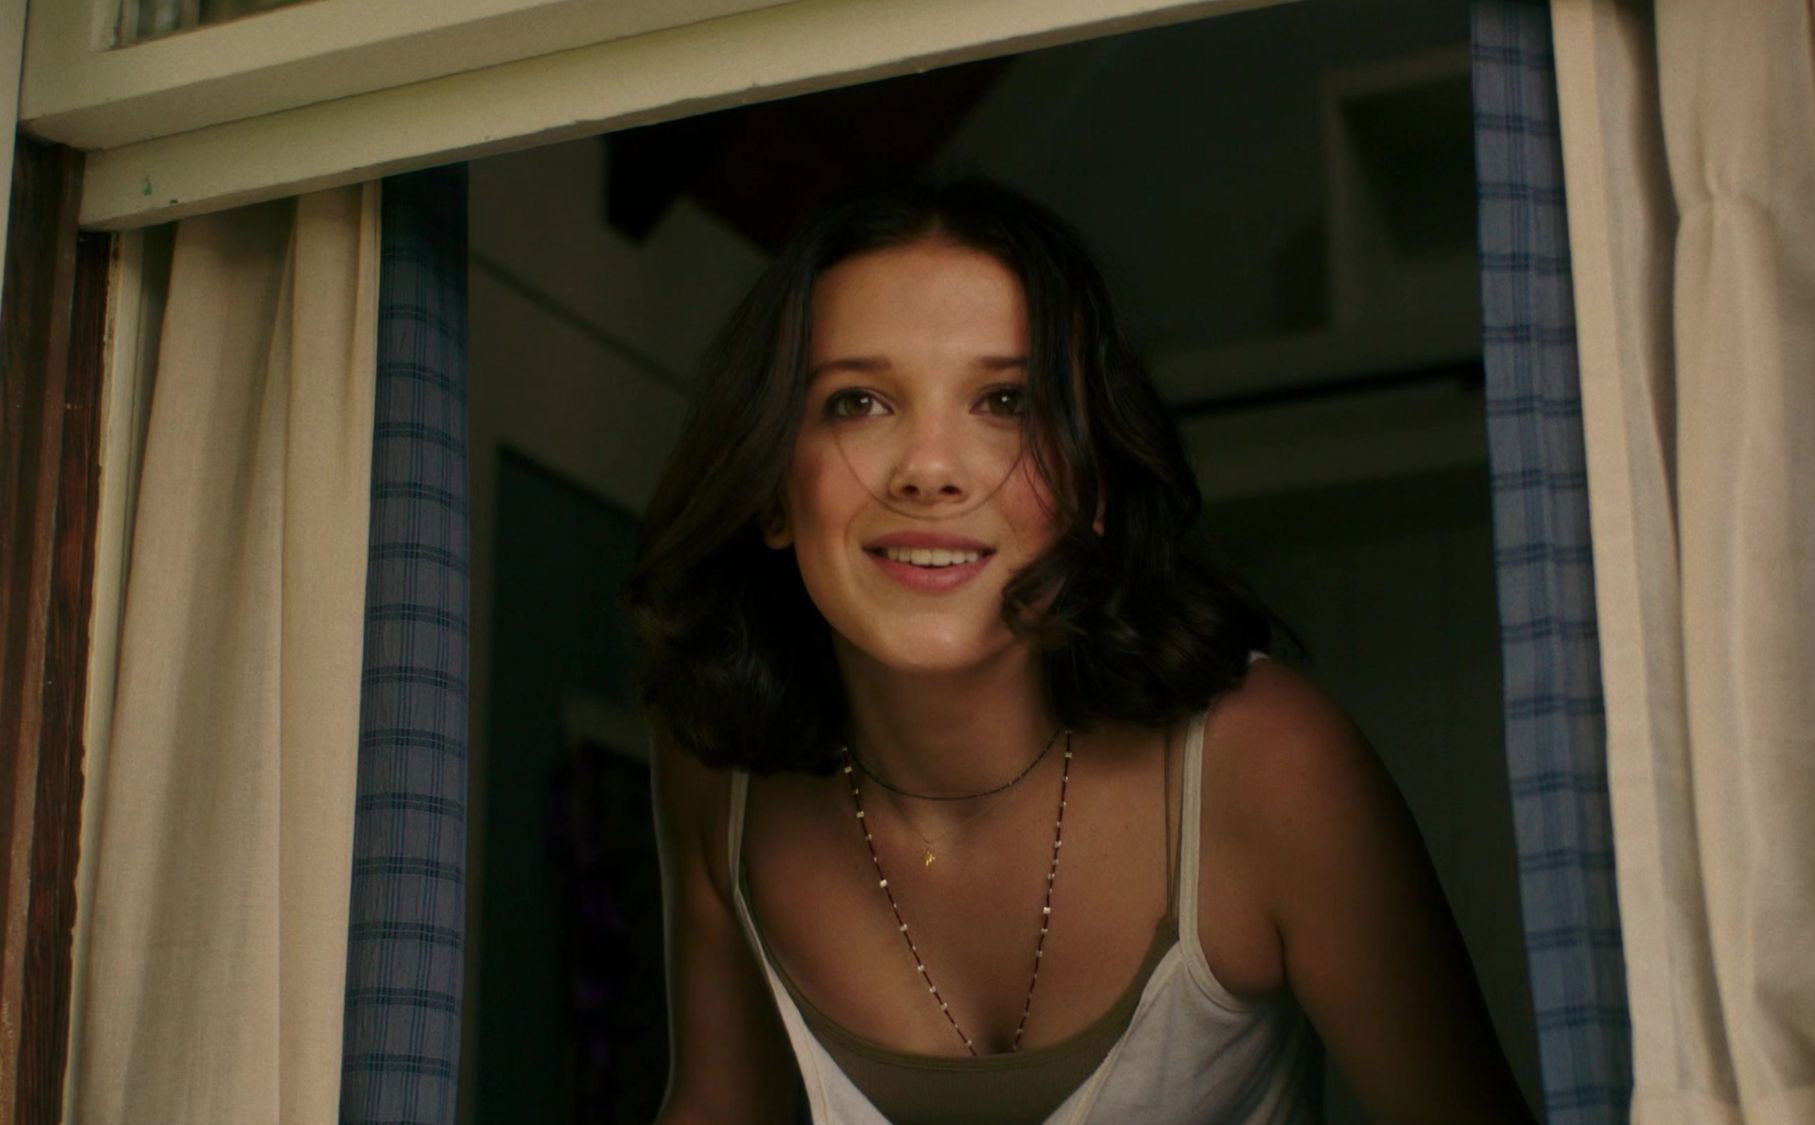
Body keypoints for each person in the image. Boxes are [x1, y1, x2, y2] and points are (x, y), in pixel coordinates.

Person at [622, 178, 1533, 1124]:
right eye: (858, 401)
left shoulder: (1268, 764)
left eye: (1005, 400)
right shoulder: (717, 772)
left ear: (1091, 484)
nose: (929, 469)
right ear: (775, 488)